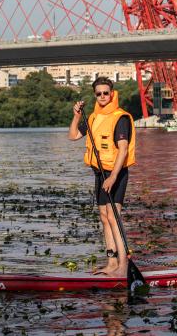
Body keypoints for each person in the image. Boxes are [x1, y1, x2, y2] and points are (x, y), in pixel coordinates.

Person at [68, 77, 135, 277]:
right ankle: (111, 263)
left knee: (114, 218)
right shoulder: (94, 118)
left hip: (116, 174)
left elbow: (123, 151)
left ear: (112, 93)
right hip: (99, 174)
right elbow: (73, 136)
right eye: (99, 93)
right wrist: (77, 116)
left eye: (106, 93)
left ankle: (123, 266)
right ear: (95, 95)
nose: (103, 96)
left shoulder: (120, 118)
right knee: (105, 218)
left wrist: (113, 177)